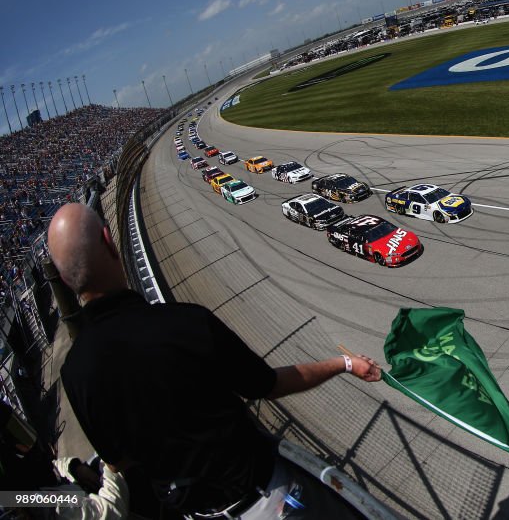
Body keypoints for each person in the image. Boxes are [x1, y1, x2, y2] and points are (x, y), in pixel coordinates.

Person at [49, 203, 380, 518]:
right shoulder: (186, 322)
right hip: (264, 499)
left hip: (193, 511)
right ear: (109, 242)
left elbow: (117, 462)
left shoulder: (74, 372)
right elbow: (269, 385)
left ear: (65, 280)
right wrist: (345, 363)